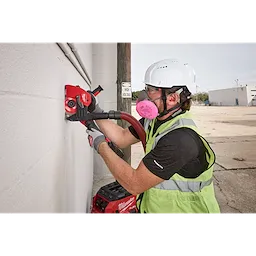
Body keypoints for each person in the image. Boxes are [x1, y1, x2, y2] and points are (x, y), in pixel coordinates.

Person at [86, 58, 221, 216]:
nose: (145, 95)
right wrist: (95, 109)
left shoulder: (180, 140)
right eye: (146, 88)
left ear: (172, 98)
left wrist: (100, 145)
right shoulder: (154, 120)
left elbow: (134, 183)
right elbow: (122, 137)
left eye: (151, 89)